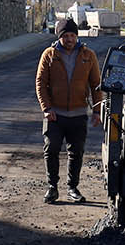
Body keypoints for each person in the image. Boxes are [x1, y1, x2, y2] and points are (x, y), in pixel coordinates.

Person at [35, 15, 103, 203]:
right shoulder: (49, 55)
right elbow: (40, 83)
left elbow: (96, 84)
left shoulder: (88, 55)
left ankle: (73, 188)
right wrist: (47, 108)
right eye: (66, 36)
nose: (70, 39)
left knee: (76, 152)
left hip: (78, 113)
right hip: (54, 114)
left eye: (73, 35)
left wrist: (97, 111)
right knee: (52, 149)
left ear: (77, 36)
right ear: (59, 37)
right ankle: (52, 188)